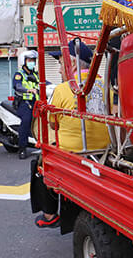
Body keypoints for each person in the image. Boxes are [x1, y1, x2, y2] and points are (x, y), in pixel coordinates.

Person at [34, 41, 110, 228]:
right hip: (105, 150)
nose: (59, 69)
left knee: (38, 163)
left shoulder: (62, 89)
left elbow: (53, 124)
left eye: (61, 63)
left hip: (72, 153)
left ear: (73, 64)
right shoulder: (106, 86)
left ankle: (49, 214)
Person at [12, 49, 42, 160]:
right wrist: (28, 90)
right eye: (29, 60)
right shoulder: (19, 75)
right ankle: (22, 148)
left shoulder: (35, 74)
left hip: (36, 103)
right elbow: (17, 86)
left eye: (33, 60)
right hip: (24, 103)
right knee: (26, 121)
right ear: (23, 61)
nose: (32, 62)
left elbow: (43, 83)